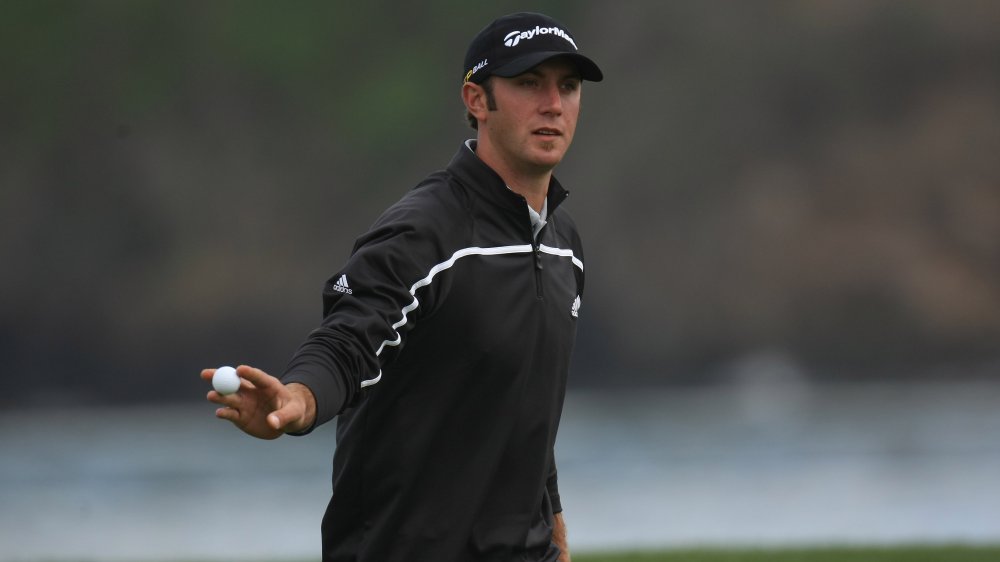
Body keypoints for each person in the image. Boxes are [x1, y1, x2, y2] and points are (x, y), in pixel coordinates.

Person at [201, 11, 603, 562]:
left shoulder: (564, 244)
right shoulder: (424, 232)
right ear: (477, 100)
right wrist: (297, 400)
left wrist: (555, 536)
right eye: (529, 84)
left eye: (569, 87)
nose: (553, 104)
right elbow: (346, 341)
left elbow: (524, 410)